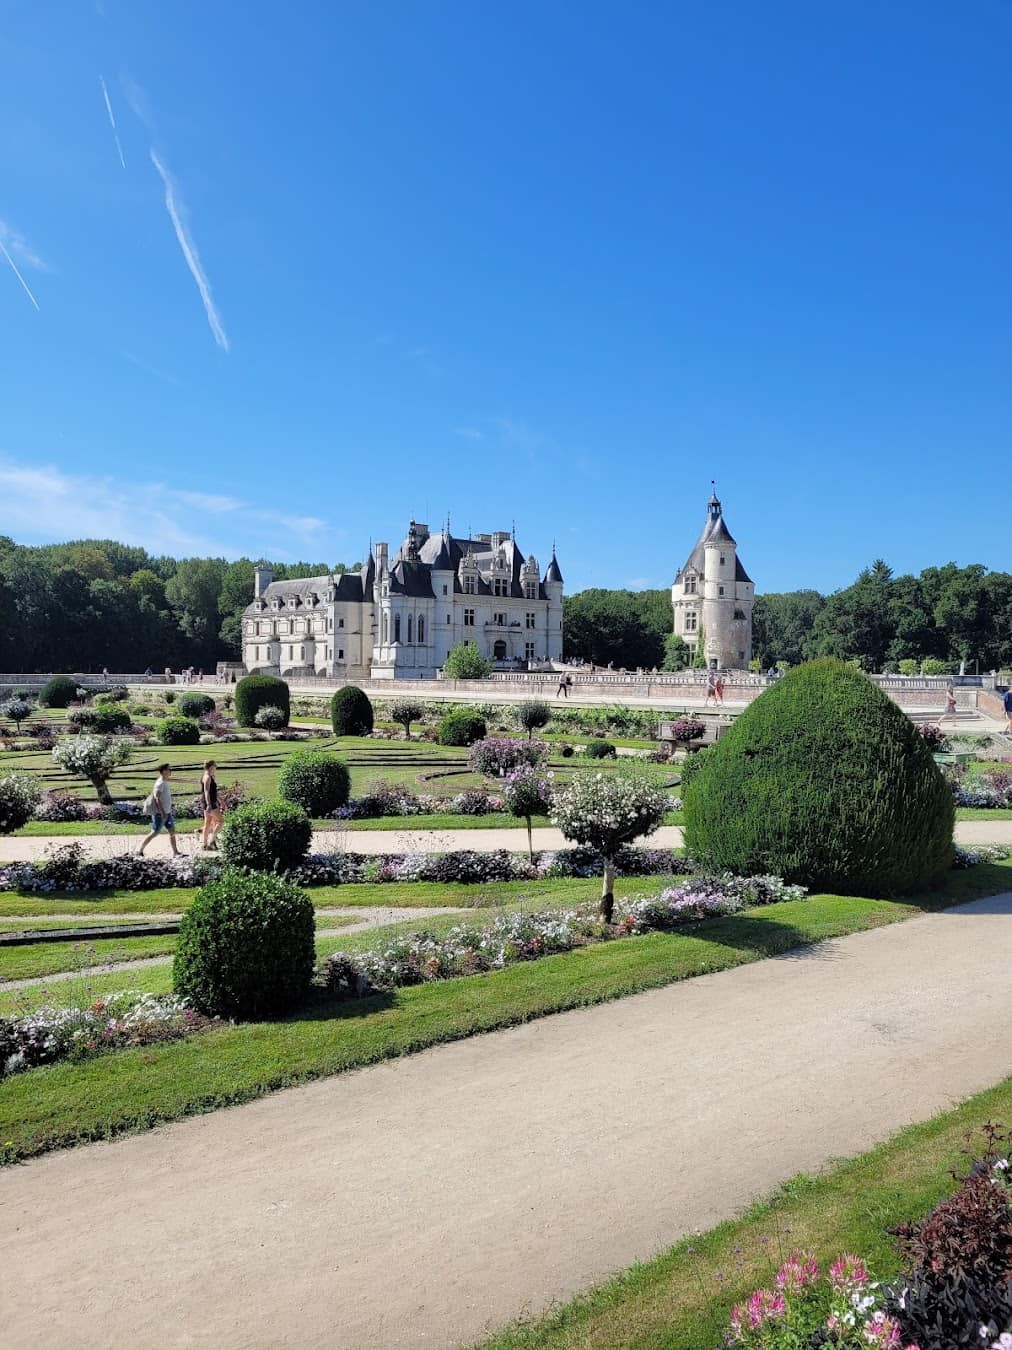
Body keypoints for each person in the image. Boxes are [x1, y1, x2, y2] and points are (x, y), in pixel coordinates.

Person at [139, 764, 180, 857]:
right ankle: (140, 850)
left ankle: (175, 852)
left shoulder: (164, 781)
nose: (171, 771)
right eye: (169, 769)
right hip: (160, 814)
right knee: (155, 832)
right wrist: (162, 813)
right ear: (164, 771)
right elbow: (157, 799)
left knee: (172, 831)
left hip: (167, 812)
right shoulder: (160, 783)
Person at [199, 760, 223, 850]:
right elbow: (207, 791)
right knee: (220, 821)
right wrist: (209, 804)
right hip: (210, 802)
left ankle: (205, 845)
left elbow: (214, 791)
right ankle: (212, 841)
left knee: (208, 823)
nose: (215, 768)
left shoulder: (208, 776)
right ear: (211, 767)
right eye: (215, 766)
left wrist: (221, 800)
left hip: (207, 802)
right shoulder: (208, 777)